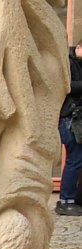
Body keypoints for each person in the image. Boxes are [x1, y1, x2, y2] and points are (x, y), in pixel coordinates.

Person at [57, 40, 82, 216]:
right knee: (74, 158)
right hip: (69, 119)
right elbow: (66, 86)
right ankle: (66, 200)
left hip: (76, 119)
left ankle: (75, 198)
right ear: (79, 48)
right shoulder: (67, 62)